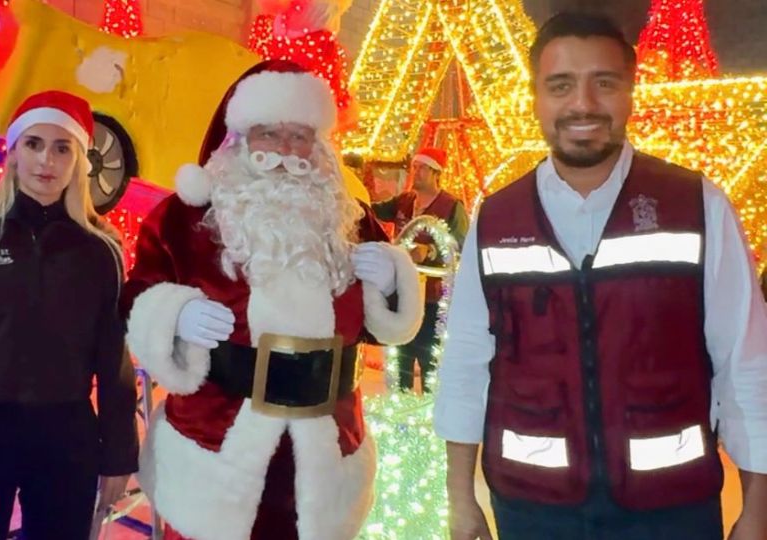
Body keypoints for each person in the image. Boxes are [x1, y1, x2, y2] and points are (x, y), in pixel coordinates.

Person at [434, 12, 767, 540]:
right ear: (537, 98)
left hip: (671, 509)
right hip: (531, 508)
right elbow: (467, 362)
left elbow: (746, 363)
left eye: (604, 83)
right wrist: (460, 498)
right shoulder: (496, 218)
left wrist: (757, 509)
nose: (583, 105)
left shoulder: (696, 205)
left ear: (631, 92)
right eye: (561, 85)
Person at [122, 60, 423, 540]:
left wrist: (390, 281)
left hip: (326, 450)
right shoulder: (184, 216)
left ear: (318, 143)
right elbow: (135, 296)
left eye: (299, 135)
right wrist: (173, 312)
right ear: (239, 137)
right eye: (268, 134)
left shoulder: (348, 216)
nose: (285, 150)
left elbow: (375, 326)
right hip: (216, 450)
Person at [0, 90, 140, 539]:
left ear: (79, 160)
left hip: (64, 436)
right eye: (33, 144)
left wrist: (117, 455)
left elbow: (114, 361)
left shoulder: (101, 249)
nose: (45, 161)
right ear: (12, 152)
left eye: (61, 147)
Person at [373, 147, 468, 393]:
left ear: (436, 173)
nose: (416, 172)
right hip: (401, 295)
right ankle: (401, 408)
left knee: (430, 361)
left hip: (433, 299)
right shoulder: (404, 202)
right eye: (414, 167)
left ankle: (430, 413)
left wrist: (431, 251)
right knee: (401, 356)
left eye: (423, 168)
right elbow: (370, 211)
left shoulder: (451, 206)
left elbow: (460, 246)